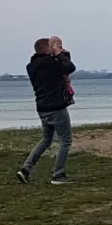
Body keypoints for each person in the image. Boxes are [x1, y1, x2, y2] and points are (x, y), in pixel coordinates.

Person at [17, 36, 76, 185]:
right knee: (66, 140)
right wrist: (58, 54)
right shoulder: (51, 63)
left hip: (42, 108)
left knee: (46, 139)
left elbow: (63, 66)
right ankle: (58, 175)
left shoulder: (31, 66)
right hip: (56, 107)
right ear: (47, 48)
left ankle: (26, 169)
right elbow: (69, 68)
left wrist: (61, 54)